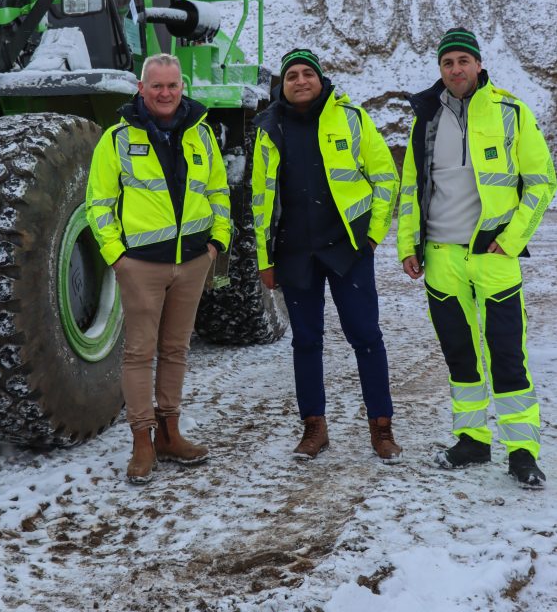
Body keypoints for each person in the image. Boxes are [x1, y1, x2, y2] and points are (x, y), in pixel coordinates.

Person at [398, 28, 556, 488]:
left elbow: (542, 182)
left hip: (493, 255)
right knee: (460, 356)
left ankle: (522, 450)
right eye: (447, 63)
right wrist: (408, 244)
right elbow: (413, 188)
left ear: (479, 65)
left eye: (463, 61)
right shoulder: (425, 119)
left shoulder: (511, 112)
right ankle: (472, 440)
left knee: (507, 355)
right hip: (441, 258)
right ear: (440, 70)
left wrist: (511, 239)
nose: (455, 70)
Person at [86, 53, 231, 484]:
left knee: (175, 350)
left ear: (182, 88)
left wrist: (216, 243)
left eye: (172, 86)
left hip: (192, 262)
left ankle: (170, 432)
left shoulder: (201, 133)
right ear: (141, 89)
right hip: (141, 267)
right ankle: (142, 442)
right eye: (157, 86)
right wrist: (117, 256)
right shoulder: (116, 139)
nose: (165, 94)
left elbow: (219, 189)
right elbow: (98, 203)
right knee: (138, 353)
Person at [251, 48, 401, 463]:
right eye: (292, 75)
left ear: (320, 79)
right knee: (306, 341)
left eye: (307, 74)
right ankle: (314, 427)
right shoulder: (269, 128)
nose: (300, 81)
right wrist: (265, 257)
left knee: (366, 337)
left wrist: (371, 237)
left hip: (348, 249)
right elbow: (261, 197)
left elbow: (386, 177)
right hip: (295, 253)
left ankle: (381, 428)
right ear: (282, 84)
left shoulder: (350, 118)